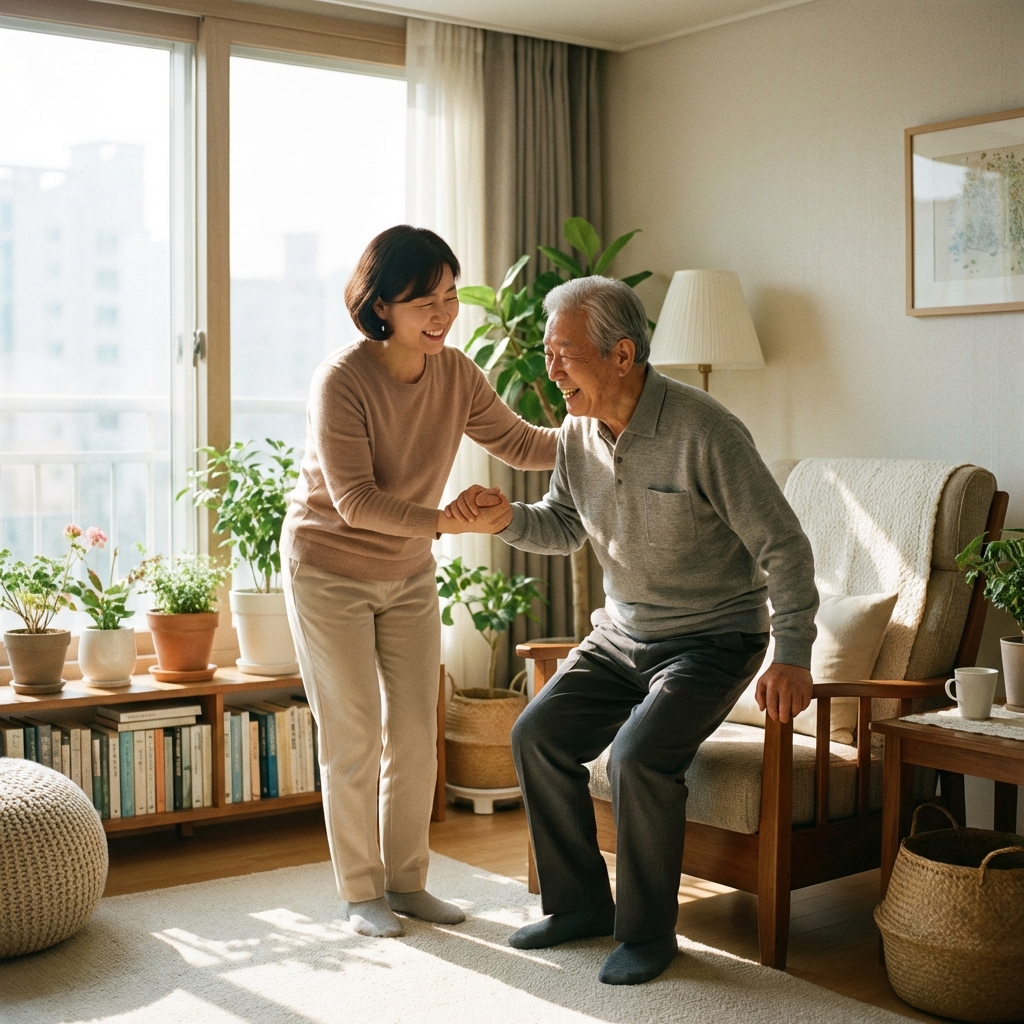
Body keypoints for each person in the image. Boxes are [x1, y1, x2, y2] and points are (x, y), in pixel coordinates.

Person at [447, 275, 818, 985]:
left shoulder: (705, 431)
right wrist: (506, 521)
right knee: (537, 735)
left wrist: (793, 652)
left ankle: (648, 933)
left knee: (640, 756)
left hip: (712, 638)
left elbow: (784, 546)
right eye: (549, 353)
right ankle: (581, 906)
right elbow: (562, 523)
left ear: (623, 356)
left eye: (564, 354)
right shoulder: (577, 434)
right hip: (622, 636)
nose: (549, 370)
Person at [281, 225, 558, 939]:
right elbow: (355, 504)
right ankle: (361, 892)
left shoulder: (457, 373)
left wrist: (605, 426)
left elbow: (522, 442)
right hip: (328, 571)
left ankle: (407, 883)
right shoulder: (343, 380)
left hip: (405, 574)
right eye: (422, 302)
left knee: (413, 733)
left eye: (447, 297)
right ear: (382, 306)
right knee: (352, 736)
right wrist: (447, 520)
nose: (440, 315)